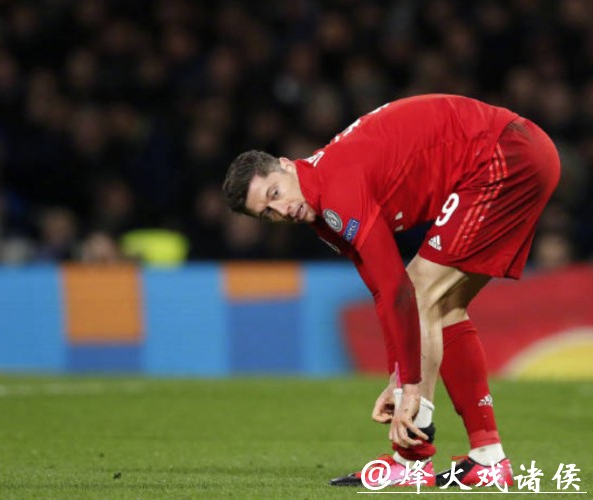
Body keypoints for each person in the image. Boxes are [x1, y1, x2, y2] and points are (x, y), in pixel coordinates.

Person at [221, 94, 560, 488]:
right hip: (514, 151)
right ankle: (487, 457)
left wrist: (409, 388)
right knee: (444, 307)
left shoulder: (336, 188)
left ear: (285, 164)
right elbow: (383, 295)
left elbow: (398, 290)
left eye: (275, 194)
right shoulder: (322, 209)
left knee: (421, 290)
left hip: (506, 153)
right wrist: (398, 377)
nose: (281, 211)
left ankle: (411, 458)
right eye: (267, 213)